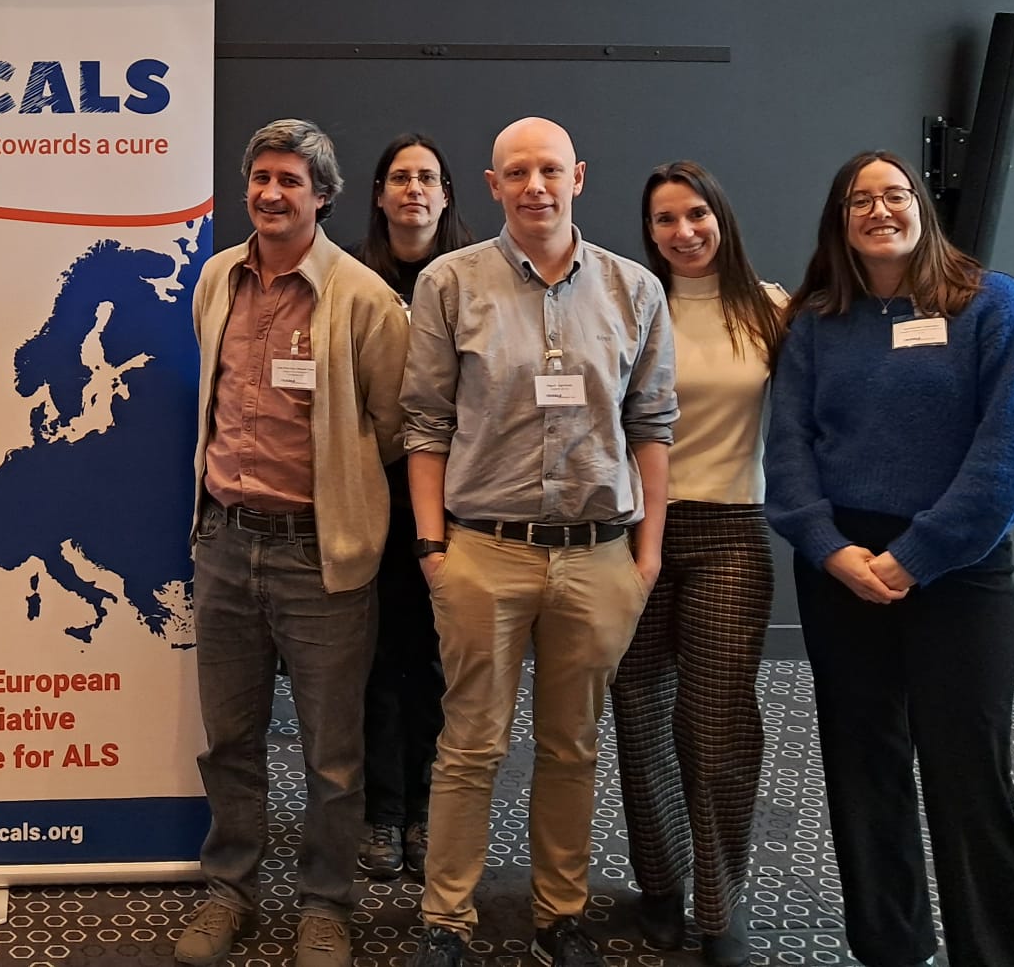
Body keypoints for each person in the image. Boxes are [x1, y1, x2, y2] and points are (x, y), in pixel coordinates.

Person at [765, 150, 1014, 967]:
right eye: (860, 200)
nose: (879, 210)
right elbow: (787, 450)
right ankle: (890, 945)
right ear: (840, 222)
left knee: (968, 769)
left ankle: (995, 952)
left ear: (922, 207)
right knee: (864, 764)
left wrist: (919, 555)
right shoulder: (816, 321)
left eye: (895, 194)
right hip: (841, 567)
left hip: (959, 568)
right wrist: (829, 549)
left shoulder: (992, 305)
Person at [403, 117, 676, 967]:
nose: (535, 186)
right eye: (516, 172)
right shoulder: (450, 282)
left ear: (578, 177)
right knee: (469, 745)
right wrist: (433, 550)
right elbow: (424, 424)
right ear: (492, 185)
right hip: (483, 551)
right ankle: (446, 917)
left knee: (572, 746)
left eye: (550, 170)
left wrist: (647, 556)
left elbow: (653, 425)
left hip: (599, 555)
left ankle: (561, 914)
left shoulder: (635, 290)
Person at [172, 120, 409, 967]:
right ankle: (229, 889)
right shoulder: (215, 280)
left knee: (332, 753)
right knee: (228, 739)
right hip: (224, 543)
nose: (271, 194)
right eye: (261, 177)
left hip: (320, 554)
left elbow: (393, 425)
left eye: (291, 181)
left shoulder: (364, 298)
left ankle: (325, 904)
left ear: (324, 196)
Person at [609, 162, 786, 967]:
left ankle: (720, 909)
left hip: (731, 535)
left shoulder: (773, 310)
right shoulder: (632, 306)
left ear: (721, 217)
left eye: (696, 215)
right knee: (640, 717)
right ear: (649, 232)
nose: (683, 232)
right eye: (665, 220)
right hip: (634, 532)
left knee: (717, 730)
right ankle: (660, 889)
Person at [353, 133, 473, 879]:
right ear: (379, 194)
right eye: (399, 177)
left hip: (456, 496)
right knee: (374, 659)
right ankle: (382, 810)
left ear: (446, 193)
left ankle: (427, 807)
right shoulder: (348, 276)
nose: (414, 190)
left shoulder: (477, 276)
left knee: (435, 661)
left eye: (427, 177)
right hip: (368, 493)